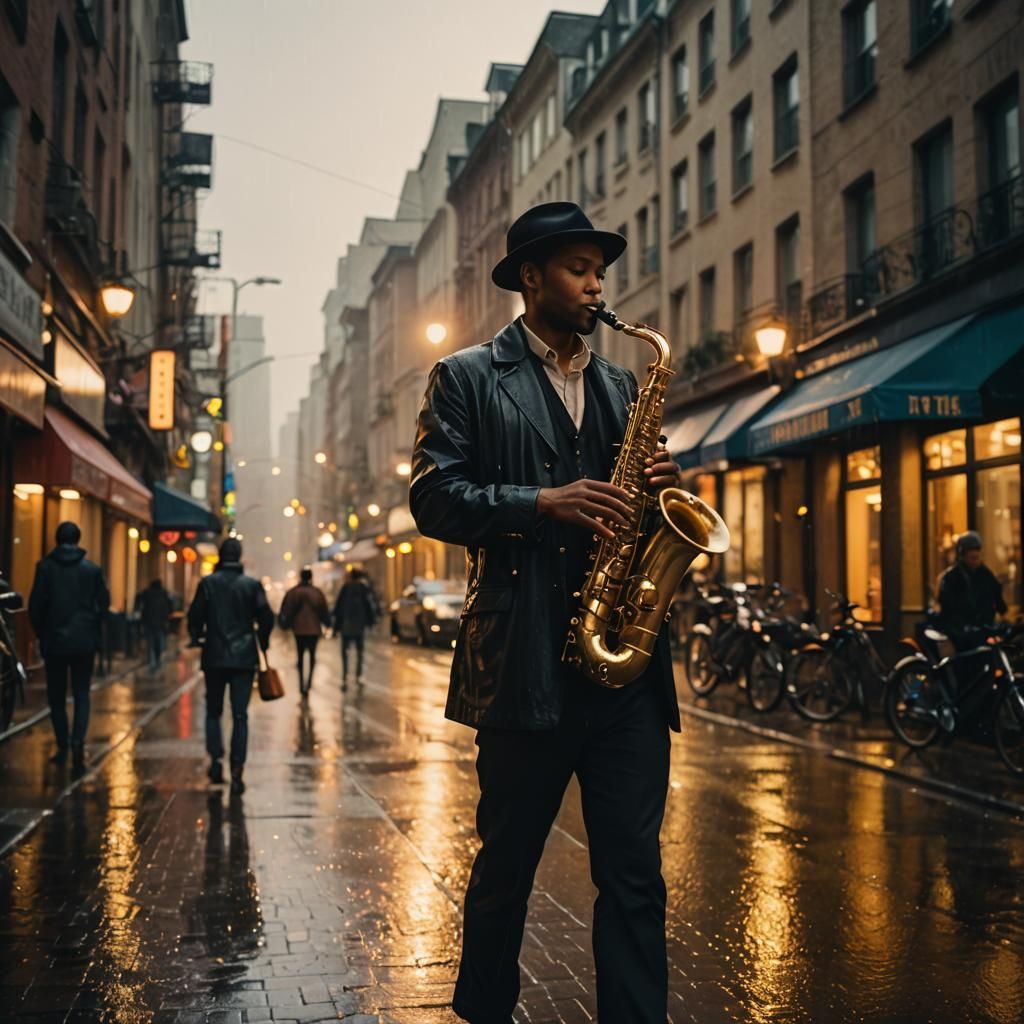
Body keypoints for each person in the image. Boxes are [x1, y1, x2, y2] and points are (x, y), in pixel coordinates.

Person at [410, 201, 685, 1022]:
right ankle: (486, 1008)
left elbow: (624, 514)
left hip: (621, 670)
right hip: (524, 661)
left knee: (635, 874)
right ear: (530, 277)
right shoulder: (464, 375)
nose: (597, 286)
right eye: (578, 269)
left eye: (601, 272)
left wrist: (656, 492)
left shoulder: (621, 382)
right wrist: (541, 501)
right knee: (508, 868)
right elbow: (433, 498)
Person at [187, 537, 274, 795]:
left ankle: (215, 760)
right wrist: (263, 641)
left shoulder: (208, 584)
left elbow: (194, 616)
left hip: (214, 656)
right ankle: (237, 770)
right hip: (244, 658)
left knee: (213, 711)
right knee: (240, 714)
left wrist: (197, 637)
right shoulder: (251, 586)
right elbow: (266, 617)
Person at [28, 521, 110, 771]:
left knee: (56, 695)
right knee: (82, 692)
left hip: (55, 641)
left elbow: (35, 606)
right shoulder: (92, 571)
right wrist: (93, 626)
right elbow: (104, 603)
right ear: (78, 539)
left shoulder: (45, 568)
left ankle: (63, 743)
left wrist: (43, 633)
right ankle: (77, 742)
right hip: (84, 641)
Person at [937, 530, 1007, 641]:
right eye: (972, 558)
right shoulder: (951, 578)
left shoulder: (986, 574)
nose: (976, 561)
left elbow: (997, 596)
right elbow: (947, 609)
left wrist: (1004, 615)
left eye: (978, 557)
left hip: (984, 630)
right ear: (962, 556)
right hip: (961, 633)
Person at [279, 567, 330, 696]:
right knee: (312, 656)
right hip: (314, 629)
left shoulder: (294, 592)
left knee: (300, 656)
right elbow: (324, 610)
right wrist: (328, 625)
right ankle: (309, 683)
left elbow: (286, 609)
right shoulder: (317, 592)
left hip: (299, 629)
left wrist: (284, 624)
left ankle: (302, 684)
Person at [332, 568, 377, 691]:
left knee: (345, 653)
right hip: (359, 626)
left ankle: (345, 677)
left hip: (346, 626)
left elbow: (338, 608)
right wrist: (371, 622)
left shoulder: (345, 588)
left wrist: (336, 627)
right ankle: (358, 676)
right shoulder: (363, 589)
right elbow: (370, 606)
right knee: (359, 652)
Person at [135, 578, 172, 672]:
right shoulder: (163, 593)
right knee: (158, 642)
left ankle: (152, 660)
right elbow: (169, 607)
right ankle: (156, 660)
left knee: (151, 642)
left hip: (149, 622)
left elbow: (139, 600)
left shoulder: (147, 593)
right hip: (160, 623)